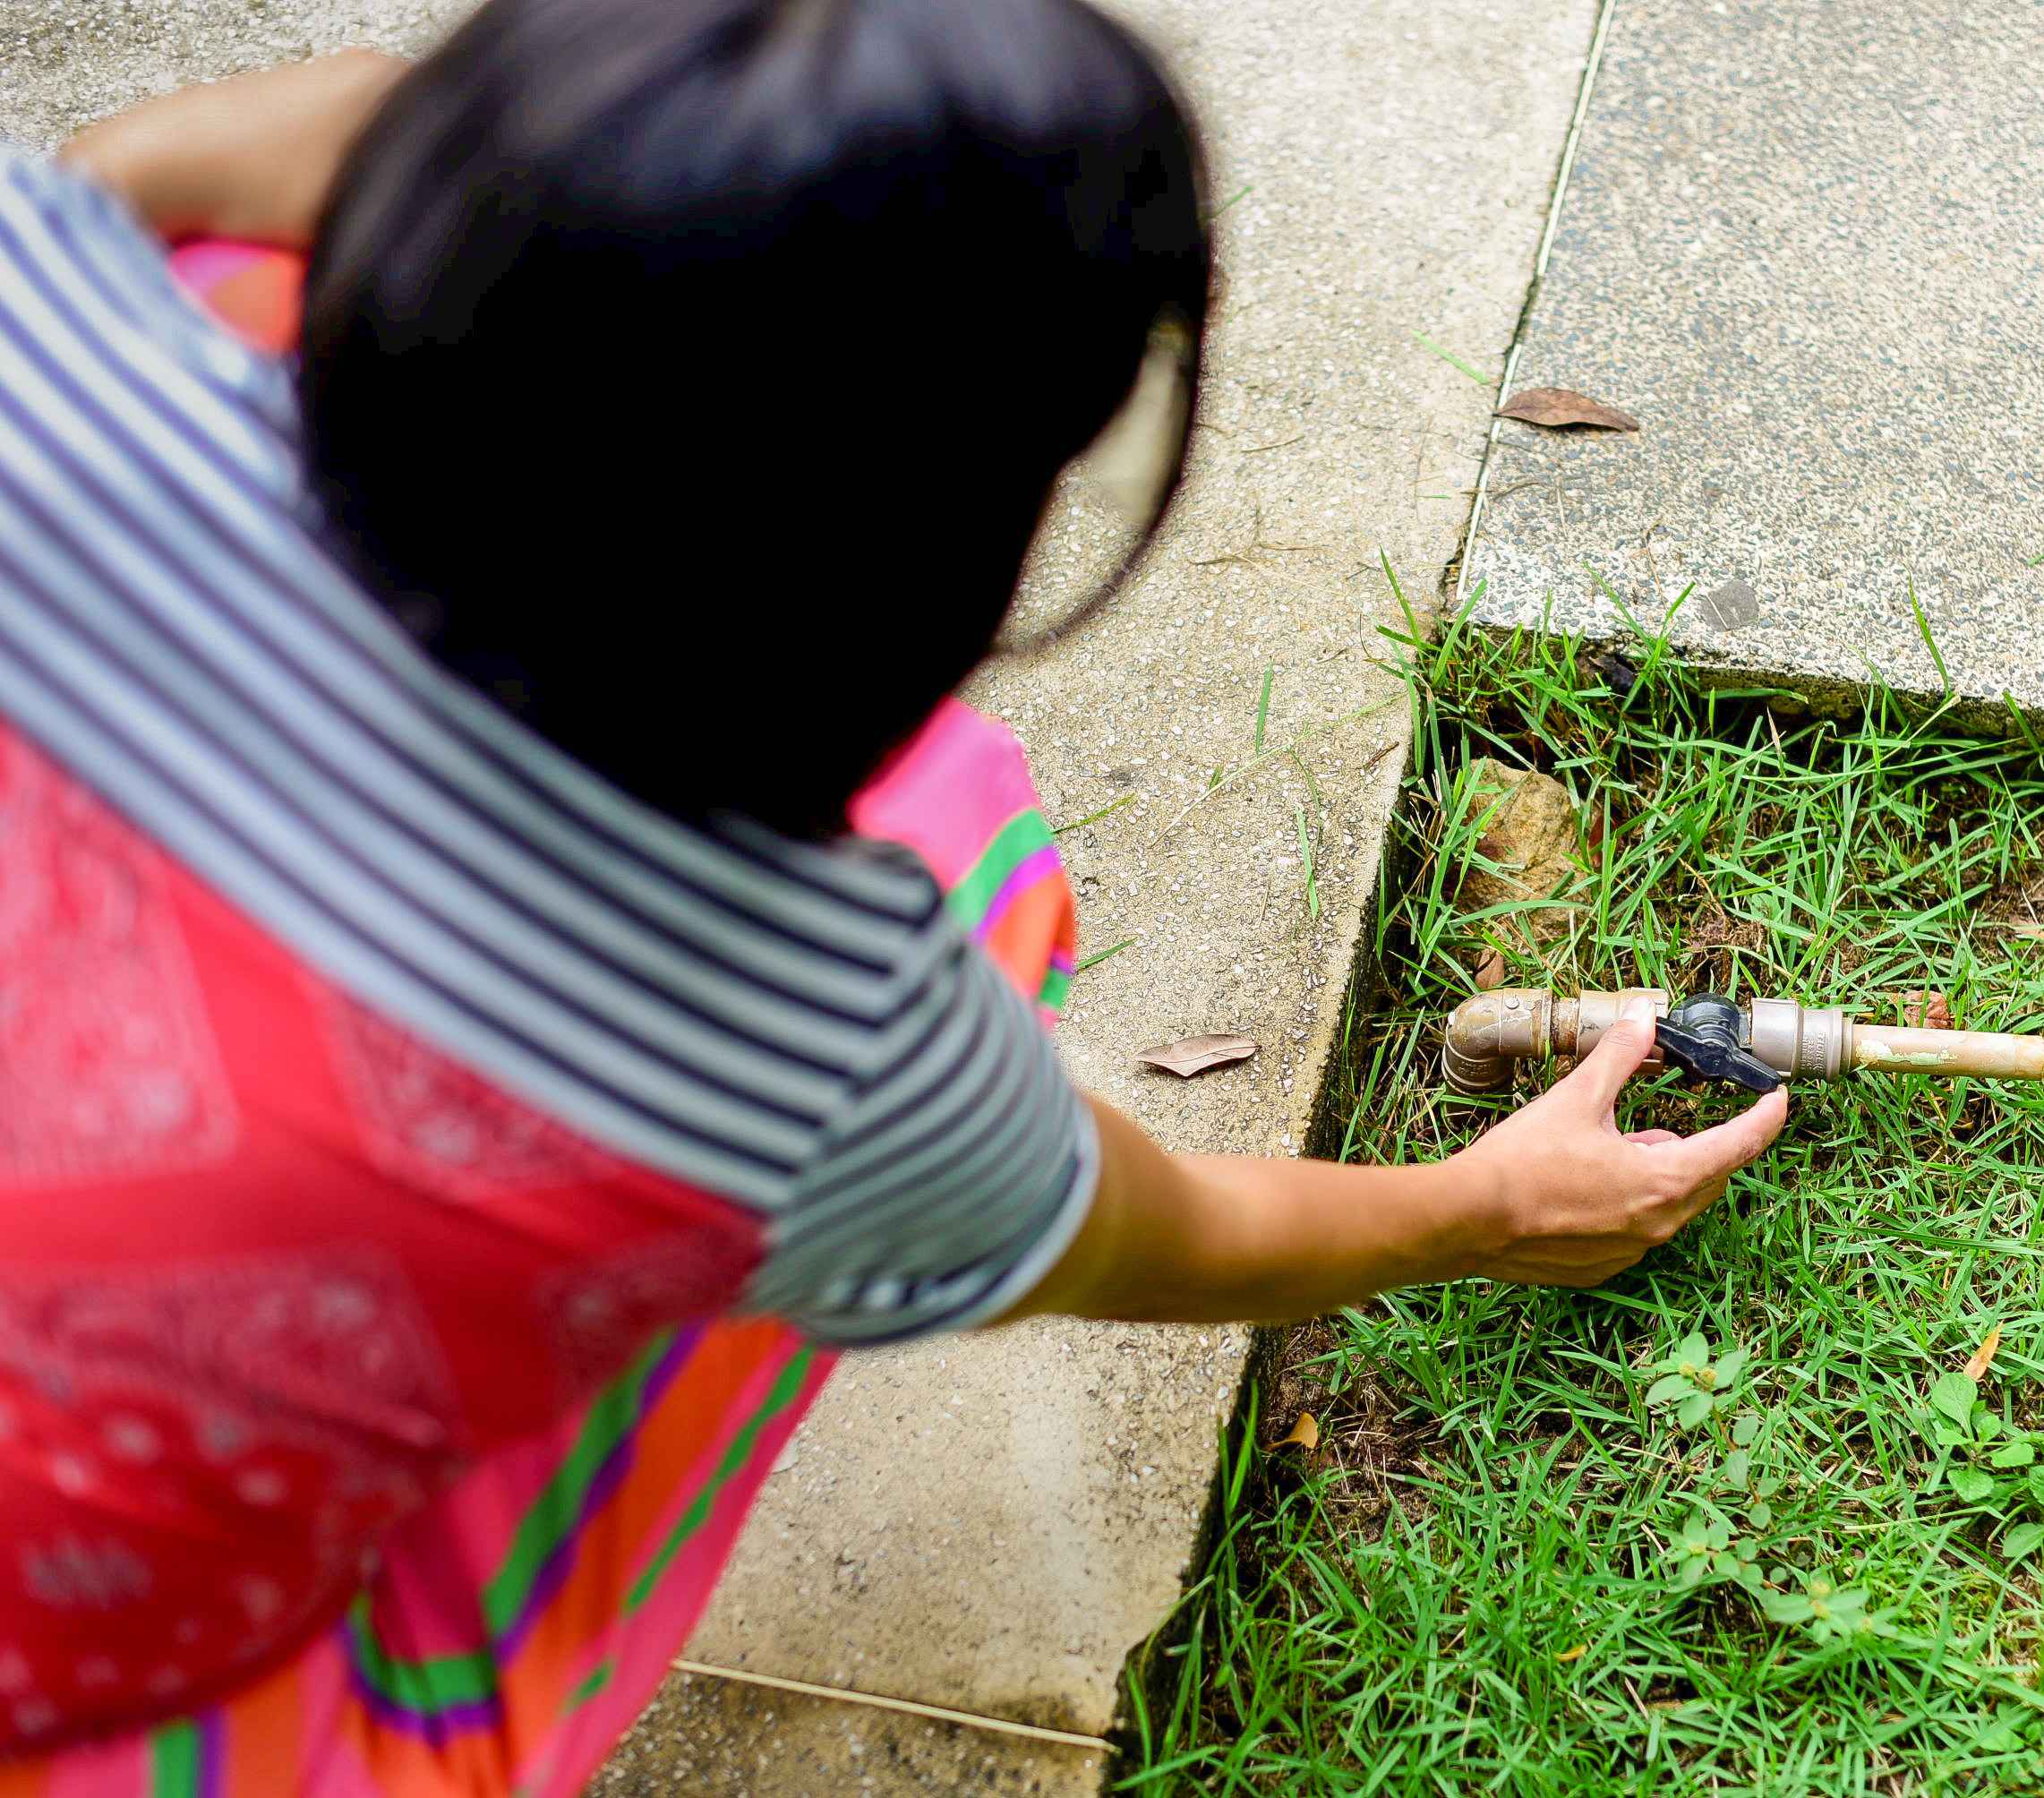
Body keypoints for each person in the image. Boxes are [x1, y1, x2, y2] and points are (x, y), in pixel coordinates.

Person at [0, 0, 1787, 1787]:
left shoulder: (45, 319)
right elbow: (1161, 1235)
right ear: (930, 550)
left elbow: (160, 174)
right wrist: (1481, 1203)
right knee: (963, 852)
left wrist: (440, 176)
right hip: (90, 1708)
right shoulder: (806, 1029)